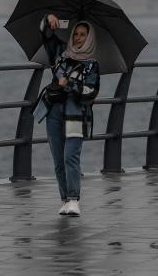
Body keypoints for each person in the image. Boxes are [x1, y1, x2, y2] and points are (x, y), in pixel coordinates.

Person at [38, 13, 100, 217]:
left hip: (76, 115)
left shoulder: (92, 65)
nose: (79, 38)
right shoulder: (60, 55)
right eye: (76, 34)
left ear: (89, 38)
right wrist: (48, 19)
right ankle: (64, 199)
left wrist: (69, 85)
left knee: (70, 157)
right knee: (57, 159)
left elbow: (91, 91)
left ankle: (74, 199)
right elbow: (46, 35)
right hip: (53, 112)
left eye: (83, 35)